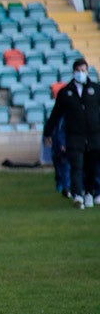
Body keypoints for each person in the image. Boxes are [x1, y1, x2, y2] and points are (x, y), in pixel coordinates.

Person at [44, 58, 100, 209]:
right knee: (76, 165)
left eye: (83, 70)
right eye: (78, 71)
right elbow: (56, 114)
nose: (81, 73)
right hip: (74, 136)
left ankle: (89, 192)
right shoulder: (66, 92)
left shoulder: (96, 89)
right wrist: (47, 133)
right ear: (73, 72)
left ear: (88, 71)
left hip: (94, 137)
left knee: (91, 166)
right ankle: (77, 195)